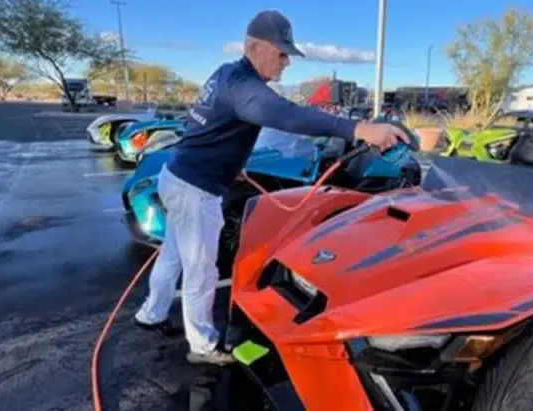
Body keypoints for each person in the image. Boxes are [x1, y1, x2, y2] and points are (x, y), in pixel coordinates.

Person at [132, 9, 410, 366]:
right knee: (201, 268)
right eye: (281, 53)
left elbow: (206, 126)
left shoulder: (225, 76)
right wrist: (358, 129)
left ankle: (151, 314)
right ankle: (202, 346)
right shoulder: (245, 88)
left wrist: (230, 166)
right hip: (195, 190)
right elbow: (290, 116)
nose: (286, 63)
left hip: (181, 175)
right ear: (254, 46)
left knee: (172, 254)